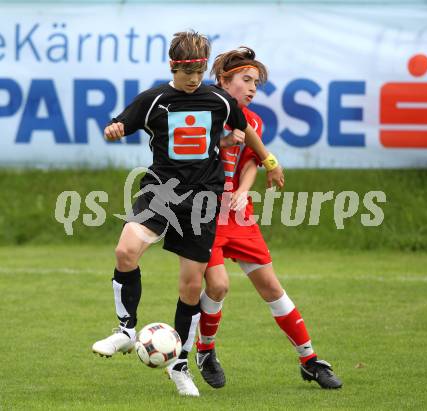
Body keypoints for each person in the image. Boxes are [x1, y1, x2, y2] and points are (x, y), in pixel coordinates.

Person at [91, 31, 284, 397]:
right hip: (161, 191)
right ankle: (126, 331)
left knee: (192, 287)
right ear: (173, 67)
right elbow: (118, 124)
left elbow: (246, 131)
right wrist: (114, 130)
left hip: (202, 199)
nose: (194, 79)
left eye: (199, 72)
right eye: (187, 73)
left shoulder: (219, 100)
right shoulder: (154, 100)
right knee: (125, 251)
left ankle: (179, 366)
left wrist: (270, 161)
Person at [195, 47, 342, 390]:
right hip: (203, 213)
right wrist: (220, 138)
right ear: (222, 81)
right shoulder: (202, 111)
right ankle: (205, 351)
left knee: (272, 287)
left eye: (256, 84)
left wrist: (244, 189)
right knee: (218, 285)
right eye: (245, 80)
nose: (252, 89)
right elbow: (189, 148)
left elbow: (250, 160)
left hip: (237, 215)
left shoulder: (253, 121)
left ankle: (309, 360)